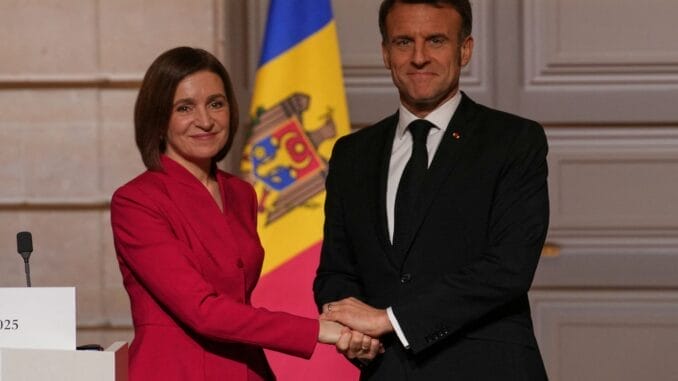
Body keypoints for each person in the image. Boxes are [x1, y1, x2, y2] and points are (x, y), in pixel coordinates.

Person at [110, 47, 380, 381]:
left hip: (249, 369)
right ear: (159, 119)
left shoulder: (241, 193)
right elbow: (202, 310)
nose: (206, 120)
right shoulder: (136, 201)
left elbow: (238, 297)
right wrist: (321, 331)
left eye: (216, 103)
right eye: (184, 108)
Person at [314, 0, 550, 379]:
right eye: (404, 42)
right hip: (385, 370)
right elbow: (336, 270)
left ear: (465, 49)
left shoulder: (513, 141)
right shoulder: (352, 154)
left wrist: (389, 319)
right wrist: (352, 326)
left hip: (486, 369)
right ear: (386, 53)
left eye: (436, 40)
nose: (419, 57)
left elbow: (509, 268)